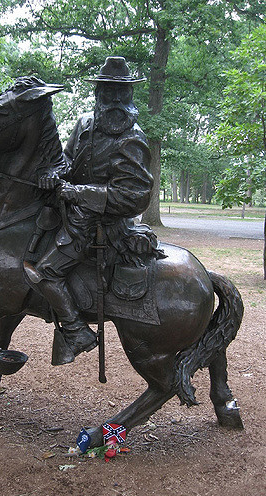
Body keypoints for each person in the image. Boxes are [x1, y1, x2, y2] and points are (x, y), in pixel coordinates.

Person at [25, 56, 160, 365]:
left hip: (103, 223)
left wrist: (79, 192)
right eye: (106, 91)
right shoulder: (85, 123)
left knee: (44, 273)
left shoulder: (133, 139)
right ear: (98, 93)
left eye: (119, 92)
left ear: (128, 95)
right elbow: (69, 162)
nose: (112, 98)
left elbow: (135, 195)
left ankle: (77, 332)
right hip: (71, 213)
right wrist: (54, 175)